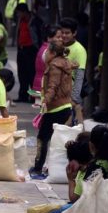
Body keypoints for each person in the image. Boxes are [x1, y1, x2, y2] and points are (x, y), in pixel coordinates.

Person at [30, 41, 73, 178]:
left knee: (42, 138)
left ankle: (38, 168)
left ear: (53, 53)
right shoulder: (65, 63)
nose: (45, 54)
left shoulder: (54, 66)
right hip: (65, 106)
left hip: (55, 108)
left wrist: (45, 101)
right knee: (57, 140)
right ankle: (55, 168)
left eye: (47, 51)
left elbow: (53, 86)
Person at [59, 17, 87, 123]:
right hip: (59, 94)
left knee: (70, 126)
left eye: (67, 33)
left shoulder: (79, 50)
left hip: (70, 96)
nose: (64, 35)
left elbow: (79, 76)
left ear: (74, 33)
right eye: (62, 32)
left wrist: (74, 99)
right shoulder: (59, 46)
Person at [14, 3, 40, 103]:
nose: (18, 15)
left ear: (24, 12)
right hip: (21, 49)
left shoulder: (33, 21)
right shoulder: (20, 21)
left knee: (31, 74)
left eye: (19, 13)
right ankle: (23, 95)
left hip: (31, 50)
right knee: (22, 74)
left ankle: (33, 97)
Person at [32, 26, 59, 104]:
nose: (61, 39)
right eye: (58, 37)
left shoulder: (44, 48)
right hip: (45, 87)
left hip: (41, 86)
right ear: (49, 38)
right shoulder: (49, 51)